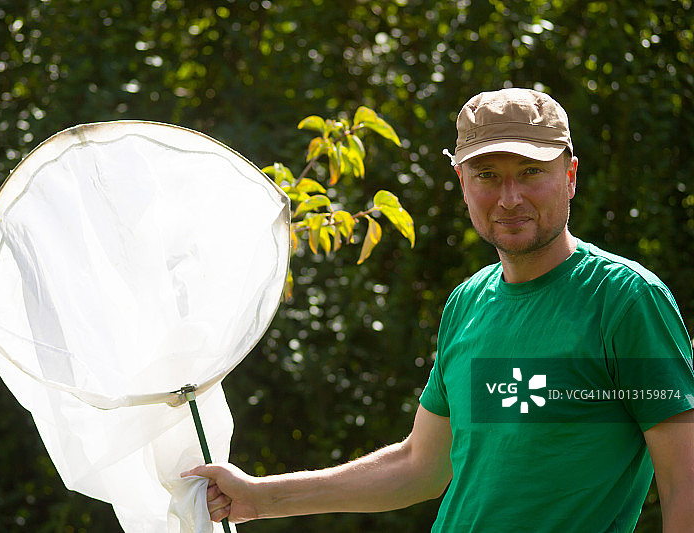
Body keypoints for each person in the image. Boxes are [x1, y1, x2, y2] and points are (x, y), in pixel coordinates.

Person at [183, 88, 694, 531]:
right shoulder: (469, 302)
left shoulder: (625, 301)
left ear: (570, 175)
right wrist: (262, 497)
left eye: (531, 172)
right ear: (462, 182)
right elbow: (419, 466)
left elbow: (684, 481)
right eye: (488, 175)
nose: (510, 198)